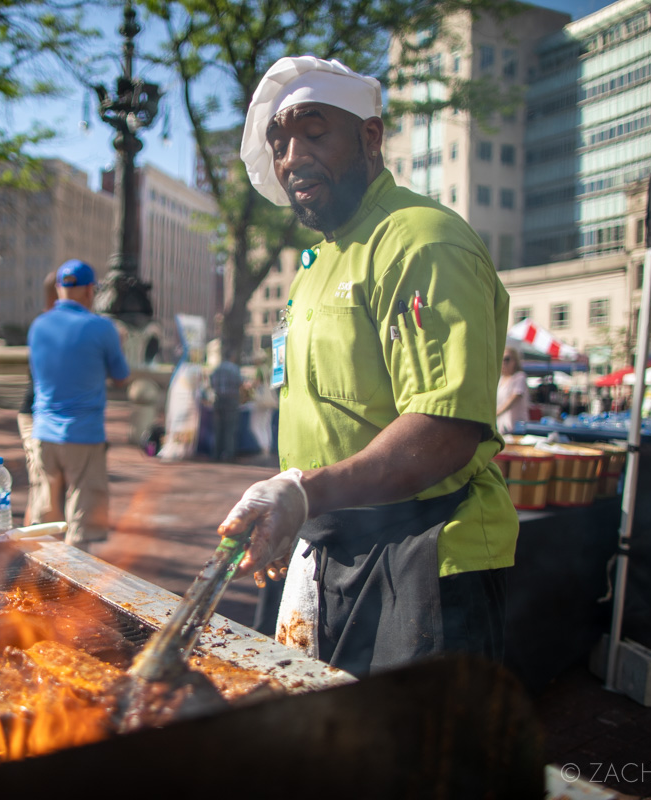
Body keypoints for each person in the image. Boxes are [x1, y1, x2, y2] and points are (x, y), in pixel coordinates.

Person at [220, 56, 517, 678]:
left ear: (371, 136)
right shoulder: (321, 257)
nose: (292, 155)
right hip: (332, 548)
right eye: (278, 142)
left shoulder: (421, 239)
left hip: (424, 555)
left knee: (408, 765)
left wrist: (306, 492)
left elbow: (444, 432)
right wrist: (299, 508)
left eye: (314, 130)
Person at [28, 260, 131, 550]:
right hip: (84, 435)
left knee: (45, 523)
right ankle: (72, 590)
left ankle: (40, 583)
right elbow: (121, 377)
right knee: (83, 528)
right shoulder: (101, 328)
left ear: (59, 288)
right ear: (89, 291)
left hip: (44, 433)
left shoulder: (38, 326)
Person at [18, 270, 59, 526]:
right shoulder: (47, 327)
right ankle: (28, 547)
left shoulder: (52, 324)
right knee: (40, 480)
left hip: (45, 415)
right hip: (35, 414)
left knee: (47, 483)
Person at [209, 347, 243, 461]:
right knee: (230, 428)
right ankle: (228, 454)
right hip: (231, 400)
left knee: (218, 428)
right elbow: (240, 382)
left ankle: (216, 454)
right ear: (232, 357)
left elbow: (211, 382)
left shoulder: (217, 369)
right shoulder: (234, 369)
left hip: (218, 399)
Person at [495, 347, 529, 435]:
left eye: (507, 359)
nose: (503, 362)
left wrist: (496, 413)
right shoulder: (500, 380)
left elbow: (514, 398)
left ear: (515, 361)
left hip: (516, 428)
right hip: (501, 427)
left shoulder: (519, 377)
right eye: (501, 359)